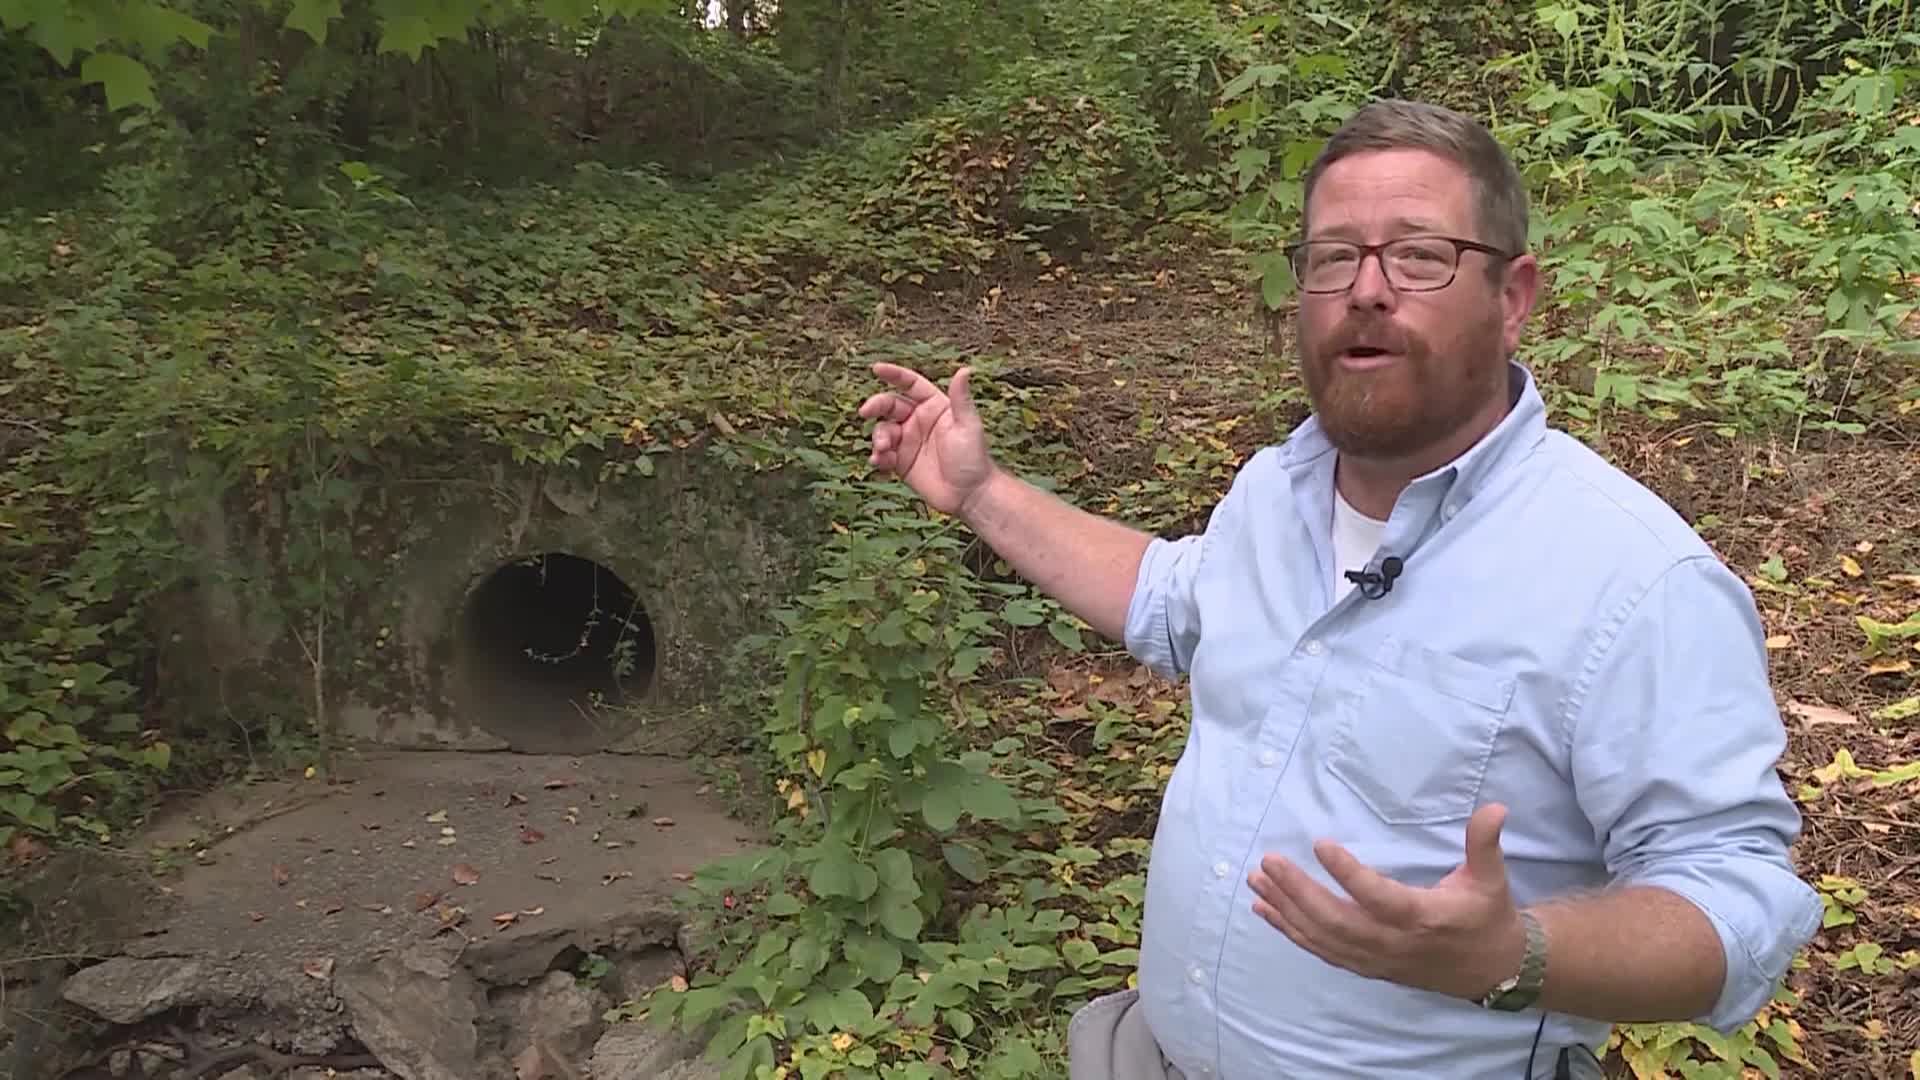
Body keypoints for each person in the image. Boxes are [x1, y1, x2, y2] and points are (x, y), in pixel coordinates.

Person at [855, 98, 1822, 1079]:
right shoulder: (1274, 490)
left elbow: (1738, 904)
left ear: (1513, 295)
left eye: (1418, 255)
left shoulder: (1633, 579)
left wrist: (1514, 954)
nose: (1366, 289)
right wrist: (980, 490)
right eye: (1332, 257)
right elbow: (1171, 599)